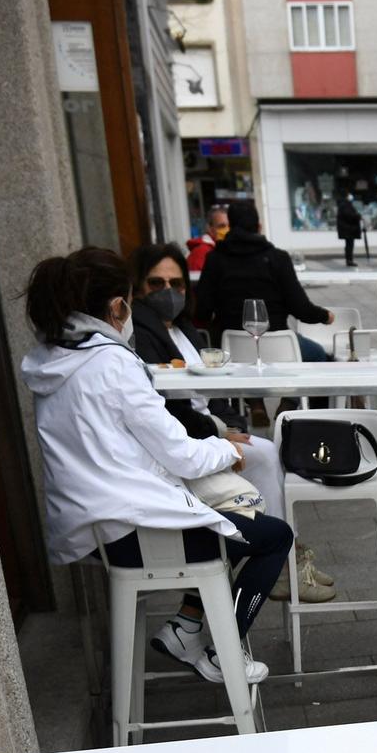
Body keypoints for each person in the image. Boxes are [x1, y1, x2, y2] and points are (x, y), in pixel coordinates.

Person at [22, 247, 293, 685]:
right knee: (272, 536)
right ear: (117, 307)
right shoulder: (112, 363)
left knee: (222, 520)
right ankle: (224, 651)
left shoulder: (52, 360)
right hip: (134, 531)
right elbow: (181, 453)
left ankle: (186, 628)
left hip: (93, 531)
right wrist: (228, 450)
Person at [128, 243, 337, 604]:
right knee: (266, 453)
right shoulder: (145, 333)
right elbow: (169, 407)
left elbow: (211, 388)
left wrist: (229, 425)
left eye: (176, 284)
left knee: (263, 452)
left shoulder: (181, 328)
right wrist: (221, 435)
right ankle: (282, 561)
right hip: (183, 442)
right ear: (139, 287)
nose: (168, 292)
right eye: (156, 283)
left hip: (202, 431)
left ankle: (285, 555)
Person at [189, 201, 335, 359]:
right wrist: (325, 316)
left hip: (231, 349)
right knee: (319, 354)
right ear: (258, 227)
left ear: (230, 227)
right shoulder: (278, 259)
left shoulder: (214, 259)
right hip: (279, 346)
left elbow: (202, 311)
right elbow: (301, 308)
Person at [186, 205, 228, 274]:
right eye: (222, 226)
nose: (227, 230)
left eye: (230, 226)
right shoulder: (200, 253)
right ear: (210, 229)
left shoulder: (227, 249)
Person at [336, 192, 363, 268]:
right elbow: (349, 215)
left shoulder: (345, 204)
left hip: (348, 229)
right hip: (348, 229)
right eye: (349, 195)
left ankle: (349, 259)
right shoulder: (345, 205)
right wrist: (358, 216)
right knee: (349, 245)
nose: (351, 197)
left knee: (349, 245)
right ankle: (349, 260)